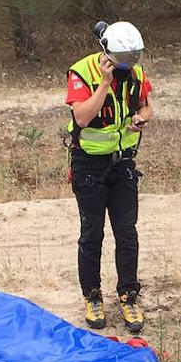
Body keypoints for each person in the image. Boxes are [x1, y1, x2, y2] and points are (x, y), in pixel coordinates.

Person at [65, 20, 154, 333]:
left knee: (127, 233)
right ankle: (92, 296)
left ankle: (129, 295)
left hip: (124, 164)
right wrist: (104, 84)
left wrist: (140, 119)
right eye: (124, 57)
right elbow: (82, 116)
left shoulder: (136, 74)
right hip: (89, 165)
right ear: (107, 52)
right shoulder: (82, 73)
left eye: (135, 56)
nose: (130, 63)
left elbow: (146, 107)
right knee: (92, 234)